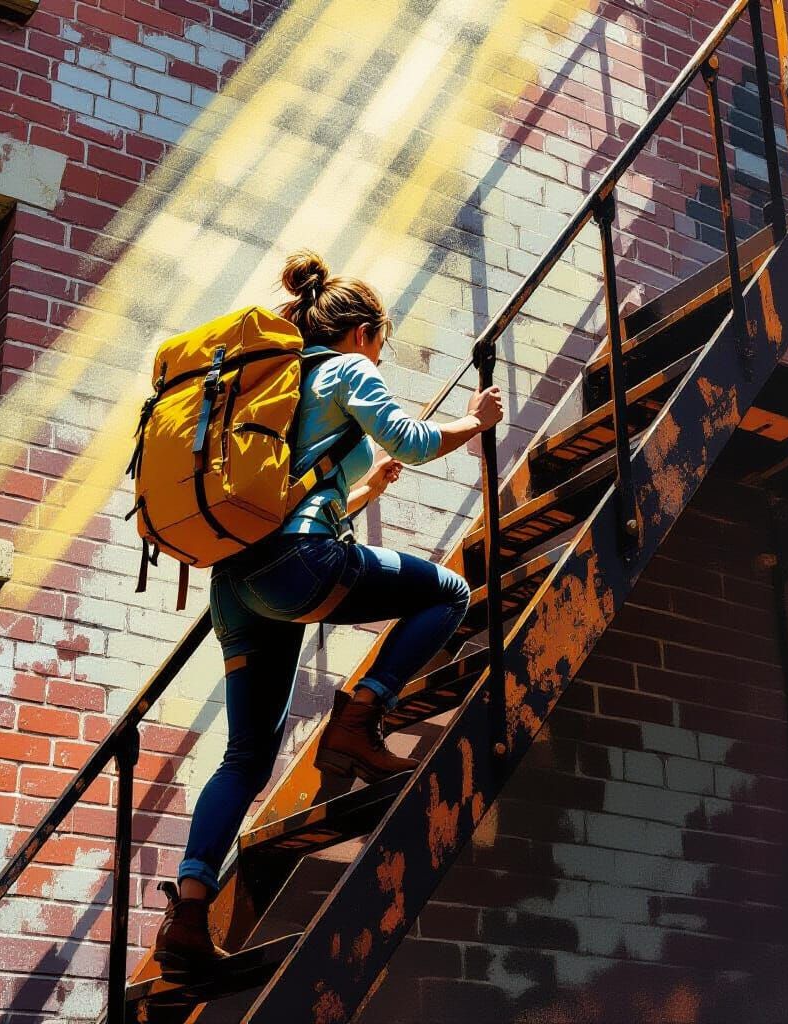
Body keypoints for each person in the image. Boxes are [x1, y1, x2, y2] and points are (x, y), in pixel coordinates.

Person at [153, 249, 503, 970]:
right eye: (384, 339)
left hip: (237, 586)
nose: (383, 352)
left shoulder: (272, 385)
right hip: (298, 567)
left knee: (245, 758)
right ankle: (359, 716)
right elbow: (412, 438)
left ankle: (188, 914)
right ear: (364, 332)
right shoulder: (349, 369)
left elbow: (280, 497)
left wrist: (363, 492)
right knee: (449, 592)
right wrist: (475, 421)